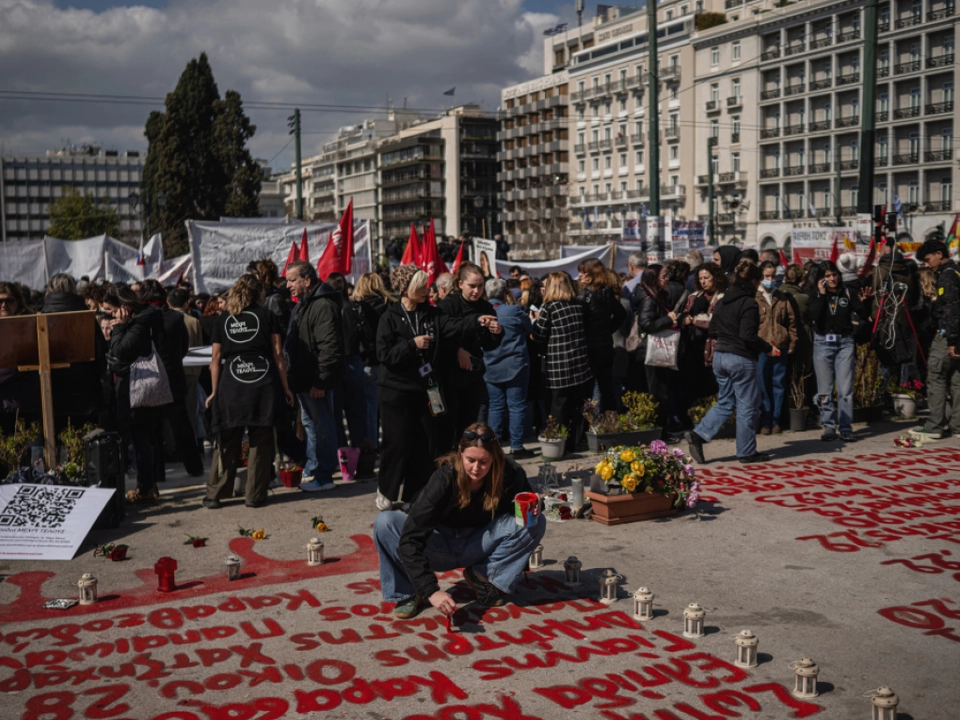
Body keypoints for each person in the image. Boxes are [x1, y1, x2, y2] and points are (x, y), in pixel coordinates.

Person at [373, 422, 546, 618]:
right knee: (385, 522)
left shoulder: (509, 473)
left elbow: (527, 504)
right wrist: (431, 590)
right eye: (470, 460)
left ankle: (483, 576)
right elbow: (411, 536)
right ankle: (409, 591)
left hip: (479, 544)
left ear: (495, 458)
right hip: (439, 544)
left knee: (536, 520)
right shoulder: (444, 478)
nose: (476, 468)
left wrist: (538, 503)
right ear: (460, 452)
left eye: (484, 462)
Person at [376, 264, 500, 509]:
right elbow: (384, 355)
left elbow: (454, 327)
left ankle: (414, 495)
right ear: (407, 288)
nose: (427, 289)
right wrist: (412, 345)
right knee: (398, 442)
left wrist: (478, 320)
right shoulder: (389, 317)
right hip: (396, 391)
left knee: (424, 444)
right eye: (421, 285)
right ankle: (387, 490)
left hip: (425, 389)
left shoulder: (431, 315)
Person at [204, 276, 294, 508]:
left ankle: (215, 494)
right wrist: (286, 388)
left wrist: (214, 391)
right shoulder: (268, 316)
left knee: (226, 440)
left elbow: (215, 359)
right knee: (261, 440)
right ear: (259, 294)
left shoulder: (224, 318)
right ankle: (254, 494)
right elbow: (278, 355)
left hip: (231, 385)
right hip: (263, 384)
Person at [686, 260, 778, 464]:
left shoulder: (724, 299)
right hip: (740, 358)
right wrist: (768, 348)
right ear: (754, 281)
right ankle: (746, 452)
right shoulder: (748, 303)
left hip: (720, 356)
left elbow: (713, 330)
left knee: (726, 401)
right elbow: (748, 335)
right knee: (747, 405)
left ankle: (698, 435)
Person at [105, 285, 169, 504]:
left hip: (136, 390)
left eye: (112, 311)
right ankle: (149, 484)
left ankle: (145, 487)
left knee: (140, 440)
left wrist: (119, 328)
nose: (111, 316)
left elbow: (119, 351)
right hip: (142, 389)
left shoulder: (138, 324)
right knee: (145, 439)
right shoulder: (145, 319)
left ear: (123, 308)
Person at [284, 260, 344, 491]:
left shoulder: (323, 305)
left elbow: (329, 347)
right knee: (311, 424)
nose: (287, 285)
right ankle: (315, 468)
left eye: (292, 279)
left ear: (307, 281)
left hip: (314, 381)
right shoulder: (305, 303)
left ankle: (324, 476)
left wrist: (321, 381)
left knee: (322, 426)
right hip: (304, 379)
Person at [140, 279, 204, 477]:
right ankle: (195, 468)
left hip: (149, 379)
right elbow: (183, 348)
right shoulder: (176, 318)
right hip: (173, 378)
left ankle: (158, 472)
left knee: (153, 430)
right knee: (182, 427)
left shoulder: (141, 318)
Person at [437, 262, 504, 450]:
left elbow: (490, 344)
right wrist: (457, 351)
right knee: (447, 427)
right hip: (448, 376)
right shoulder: (448, 305)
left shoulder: (485, 307)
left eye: (480, 286)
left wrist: (497, 332)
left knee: (469, 426)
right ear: (460, 285)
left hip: (472, 375)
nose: (476, 291)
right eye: (472, 286)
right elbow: (441, 334)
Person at [532, 272, 593, 452]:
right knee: (576, 405)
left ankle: (559, 444)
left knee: (559, 406)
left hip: (559, 365)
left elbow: (539, 335)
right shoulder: (578, 305)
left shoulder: (550, 308)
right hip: (579, 362)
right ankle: (574, 442)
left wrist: (534, 322)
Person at [807, 261, 865, 442]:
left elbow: (862, 312)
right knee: (824, 390)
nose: (832, 279)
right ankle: (829, 426)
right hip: (822, 343)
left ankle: (846, 428)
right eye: (827, 276)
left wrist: (866, 302)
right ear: (821, 279)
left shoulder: (847, 292)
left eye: (834, 275)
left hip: (844, 343)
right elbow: (814, 316)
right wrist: (822, 295)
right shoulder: (815, 295)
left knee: (845, 390)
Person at [910, 239, 960, 441]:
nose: (927, 264)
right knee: (957, 381)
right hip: (956, 335)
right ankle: (958, 427)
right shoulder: (956, 272)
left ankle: (935, 426)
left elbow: (950, 310)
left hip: (948, 335)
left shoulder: (947, 277)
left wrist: (952, 340)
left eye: (928, 259)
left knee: (936, 378)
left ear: (940, 254)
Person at [483, 278, 534, 458]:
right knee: (516, 407)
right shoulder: (513, 311)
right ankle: (516, 447)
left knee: (495, 407)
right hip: (515, 366)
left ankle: (493, 449)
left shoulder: (481, 314)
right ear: (506, 294)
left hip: (490, 366)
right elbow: (529, 328)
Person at [635, 265, 683, 437]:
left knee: (661, 391)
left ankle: (661, 429)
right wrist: (668, 321)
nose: (667, 278)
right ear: (653, 278)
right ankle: (657, 431)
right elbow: (646, 324)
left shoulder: (660, 296)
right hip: (650, 352)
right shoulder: (649, 299)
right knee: (656, 392)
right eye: (663, 276)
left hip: (658, 351)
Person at [577, 258, 627, 412]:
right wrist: (607, 329)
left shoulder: (586, 294)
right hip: (605, 346)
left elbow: (581, 322)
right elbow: (621, 313)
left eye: (583, 272)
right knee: (606, 388)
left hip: (590, 348)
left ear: (592, 274)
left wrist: (603, 330)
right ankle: (608, 422)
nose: (579, 275)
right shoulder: (606, 291)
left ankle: (595, 424)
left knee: (591, 389)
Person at [326, 272, 368, 451]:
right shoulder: (350, 307)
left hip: (338, 362)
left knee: (336, 413)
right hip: (352, 360)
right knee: (356, 412)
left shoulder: (329, 308)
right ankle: (360, 451)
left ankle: (342, 453)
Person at [756, 261, 799, 434]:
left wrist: (792, 342)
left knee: (778, 384)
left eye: (773, 276)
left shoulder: (782, 296)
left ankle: (775, 421)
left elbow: (791, 322)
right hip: (762, 347)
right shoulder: (755, 297)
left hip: (780, 346)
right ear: (761, 276)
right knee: (762, 385)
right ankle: (765, 421)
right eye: (767, 276)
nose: (770, 279)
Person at [352, 272, 393, 449]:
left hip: (367, 361)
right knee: (389, 407)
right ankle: (391, 444)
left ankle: (372, 445)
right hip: (388, 362)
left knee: (370, 408)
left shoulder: (357, 308)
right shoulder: (390, 305)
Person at [680, 262, 728, 404]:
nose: (703, 281)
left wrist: (694, 320)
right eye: (701, 278)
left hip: (714, 347)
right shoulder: (693, 297)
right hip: (694, 348)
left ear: (716, 278)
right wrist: (684, 319)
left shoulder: (722, 297)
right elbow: (683, 316)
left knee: (713, 386)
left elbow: (715, 322)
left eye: (706, 278)